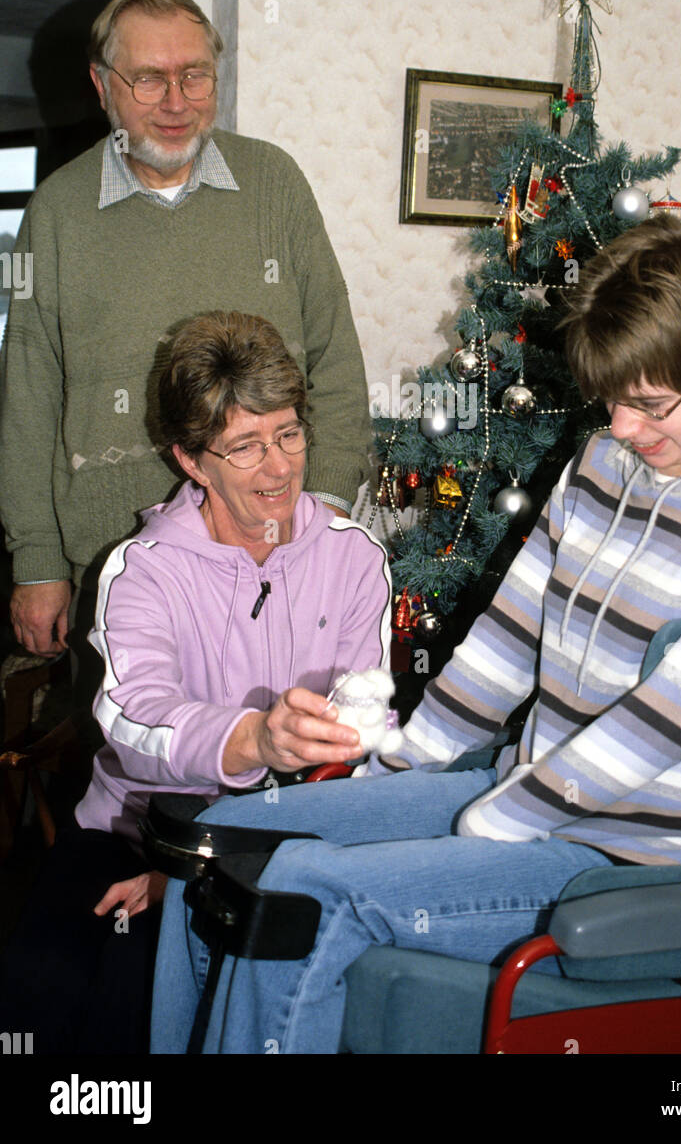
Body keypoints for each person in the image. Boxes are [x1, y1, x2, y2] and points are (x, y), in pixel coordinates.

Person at [149, 213, 681, 1055]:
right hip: (531, 799)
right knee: (225, 838)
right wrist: (389, 777)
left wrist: (491, 818)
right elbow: (505, 644)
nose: (621, 427)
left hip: (631, 860)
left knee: (306, 892)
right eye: (613, 398)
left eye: (650, 403)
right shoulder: (602, 466)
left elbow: (667, 719)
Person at [0, 311, 390, 1053]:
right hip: (133, 830)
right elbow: (135, 724)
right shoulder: (141, 569)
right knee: (45, 1009)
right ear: (191, 460)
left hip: (289, 839)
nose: (278, 468)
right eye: (244, 447)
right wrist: (249, 741)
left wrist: (200, 877)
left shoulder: (354, 560)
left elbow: (354, 753)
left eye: (289, 434)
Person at [0, 0, 370, 705]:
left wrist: (318, 510)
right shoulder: (58, 213)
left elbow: (336, 361)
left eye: (194, 74)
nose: (176, 100)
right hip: (113, 561)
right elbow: (28, 399)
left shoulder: (275, 184)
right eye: (148, 78)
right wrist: (36, 560)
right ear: (103, 86)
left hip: (275, 549)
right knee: (139, 780)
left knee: (277, 764)